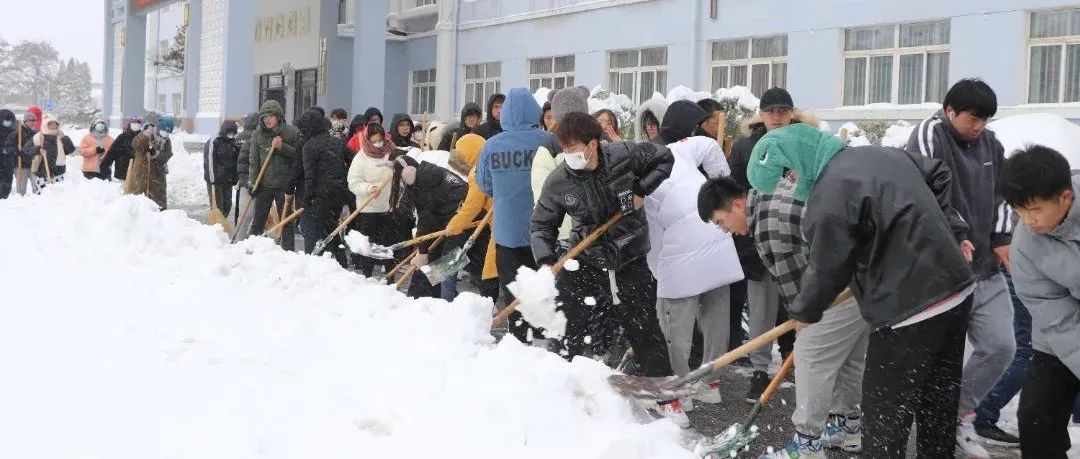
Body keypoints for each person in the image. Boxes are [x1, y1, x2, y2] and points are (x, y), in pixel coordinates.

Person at [747, 122, 975, 458]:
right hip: (955, 292)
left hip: (907, 309)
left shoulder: (829, 193)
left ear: (799, 156)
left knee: (884, 417)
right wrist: (954, 231)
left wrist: (805, 311)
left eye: (788, 174)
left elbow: (827, 266)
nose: (791, 184)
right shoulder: (884, 155)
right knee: (936, 405)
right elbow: (938, 173)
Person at [699, 174, 871, 458]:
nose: (725, 231)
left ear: (739, 205)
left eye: (721, 222)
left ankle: (807, 448)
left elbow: (799, 288)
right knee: (849, 358)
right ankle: (848, 429)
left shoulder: (768, 228)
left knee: (810, 359)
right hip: (859, 278)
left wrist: (803, 322)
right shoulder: (768, 193)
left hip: (839, 288)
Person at [531, 112, 682, 424]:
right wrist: (546, 260)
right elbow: (541, 225)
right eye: (565, 149)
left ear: (594, 144)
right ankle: (566, 391)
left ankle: (666, 398)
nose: (570, 156)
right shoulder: (559, 180)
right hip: (585, 255)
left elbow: (664, 157)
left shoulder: (624, 155)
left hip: (629, 251)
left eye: (576, 149)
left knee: (642, 324)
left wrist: (641, 189)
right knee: (574, 321)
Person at [905, 78, 1016, 456]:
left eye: (985, 120)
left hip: (985, 266)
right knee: (938, 359)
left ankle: (959, 413)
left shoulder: (991, 143)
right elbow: (923, 192)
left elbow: (1003, 194)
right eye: (973, 119)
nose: (979, 127)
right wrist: (954, 235)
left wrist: (1002, 239)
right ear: (950, 110)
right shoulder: (927, 135)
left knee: (1002, 345)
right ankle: (931, 423)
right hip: (942, 271)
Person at [646, 100, 741, 409]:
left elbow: (653, 237)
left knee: (674, 324)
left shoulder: (640, 179)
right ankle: (710, 384)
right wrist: (722, 191)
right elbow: (710, 147)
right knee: (716, 319)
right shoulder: (680, 150)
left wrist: (659, 273)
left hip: (681, 255)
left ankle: (680, 391)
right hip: (718, 234)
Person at [727, 87, 811, 400]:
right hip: (759, 243)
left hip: (798, 242)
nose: (777, 116)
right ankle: (760, 372)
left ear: (791, 113)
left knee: (801, 308)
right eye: (771, 111)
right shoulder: (747, 147)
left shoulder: (806, 143)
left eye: (782, 111)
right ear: (761, 115)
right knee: (761, 313)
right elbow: (735, 191)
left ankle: (801, 366)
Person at [1001, 146, 1080, 459]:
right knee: (1035, 420)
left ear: (1064, 197)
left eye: (1034, 210)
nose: (1027, 221)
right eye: (1019, 212)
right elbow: (1055, 316)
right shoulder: (1024, 245)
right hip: (1061, 337)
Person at [475, 87, 548, 343]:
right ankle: (542, 335)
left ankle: (518, 339)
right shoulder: (548, 141)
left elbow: (484, 185)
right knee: (542, 287)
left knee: (513, 288)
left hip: (506, 232)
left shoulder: (491, 146)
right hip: (543, 230)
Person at [393, 155, 466, 298]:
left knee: (448, 262)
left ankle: (445, 301)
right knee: (435, 259)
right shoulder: (427, 173)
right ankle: (427, 296)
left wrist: (422, 252)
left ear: (408, 174)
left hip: (461, 220)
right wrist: (423, 251)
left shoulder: (424, 184)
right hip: (451, 216)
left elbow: (425, 221)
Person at [443, 133, 500, 302]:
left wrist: (453, 226)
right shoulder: (494, 163)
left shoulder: (479, 172)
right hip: (505, 218)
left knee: (491, 269)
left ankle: (488, 305)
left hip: (499, 221)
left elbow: (472, 207)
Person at [531, 86, 589, 245]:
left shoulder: (594, 143)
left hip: (579, 232)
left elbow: (541, 196)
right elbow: (543, 194)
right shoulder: (550, 146)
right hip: (568, 233)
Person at [297, 109, 351, 265]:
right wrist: (341, 179)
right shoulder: (337, 142)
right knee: (331, 228)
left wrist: (307, 199)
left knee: (310, 229)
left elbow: (310, 176)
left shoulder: (309, 146)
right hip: (337, 194)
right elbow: (354, 159)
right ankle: (341, 261)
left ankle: (312, 261)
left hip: (320, 195)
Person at [346, 123, 399, 275]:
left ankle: (390, 274)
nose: (378, 143)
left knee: (387, 245)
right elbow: (353, 182)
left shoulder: (391, 153)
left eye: (380, 139)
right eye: (374, 140)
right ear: (368, 140)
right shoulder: (361, 158)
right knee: (368, 245)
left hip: (388, 207)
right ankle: (367, 274)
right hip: (368, 209)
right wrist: (368, 189)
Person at [247, 100, 299, 250]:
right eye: (264, 117)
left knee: (286, 221)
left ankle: (288, 251)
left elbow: (298, 156)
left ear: (278, 116)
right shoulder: (258, 134)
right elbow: (253, 160)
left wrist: (283, 147)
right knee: (258, 220)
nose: (267, 119)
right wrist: (253, 182)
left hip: (284, 185)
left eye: (271, 116)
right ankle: (252, 248)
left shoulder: (291, 132)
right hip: (264, 185)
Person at [126, 112, 174, 209]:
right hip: (142, 173)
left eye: (168, 132)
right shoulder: (148, 134)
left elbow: (167, 155)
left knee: (158, 203)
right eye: (164, 130)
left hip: (158, 175)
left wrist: (155, 153)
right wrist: (144, 135)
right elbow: (135, 145)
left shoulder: (166, 141)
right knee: (139, 201)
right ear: (159, 128)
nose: (165, 134)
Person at [203, 120, 240, 216]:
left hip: (227, 181)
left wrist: (235, 178)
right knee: (217, 208)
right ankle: (216, 227)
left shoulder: (233, 143)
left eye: (233, 134)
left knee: (227, 205)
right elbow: (209, 162)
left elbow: (235, 161)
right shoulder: (214, 141)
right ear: (224, 131)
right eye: (229, 133)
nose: (231, 135)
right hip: (216, 181)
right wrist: (212, 180)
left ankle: (222, 226)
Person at [27, 114, 75, 188]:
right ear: (46, 125)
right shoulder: (38, 136)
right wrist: (38, 150)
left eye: (55, 124)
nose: (53, 126)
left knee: (58, 195)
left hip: (58, 172)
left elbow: (70, 150)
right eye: (50, 124)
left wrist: (65, 139)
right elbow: (26, 149)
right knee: (43, 196)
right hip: (42, 172)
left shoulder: (61, 136)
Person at [4, 107, 41, 195]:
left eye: (34, 121)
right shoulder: (16, 133)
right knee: (21, 189)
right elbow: (8, 148)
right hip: (20, 164)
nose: (33, 123)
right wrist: (17, 151)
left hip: (33, 164)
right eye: (31, 121)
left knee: (37, 187)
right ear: (26, 121)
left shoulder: (36, 134)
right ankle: (21, 205)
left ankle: (38, 204)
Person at [234, 112, 259, 228]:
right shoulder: (256, 137)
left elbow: (234, 157)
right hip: (253, 175)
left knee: (241, 207)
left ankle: (238, 227)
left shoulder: (238, 137)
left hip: (241, 175)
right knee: (252, 209)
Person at [100, 115, 142, 183]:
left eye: (138, 123)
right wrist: (105, 167)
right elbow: (111, 153)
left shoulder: (143, 138)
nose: (136, 125)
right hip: (122, 173)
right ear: (130, 124)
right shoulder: (122, 137)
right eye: (134, 123)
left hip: (138, 174)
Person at [79, 116, 114, 181]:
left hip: (105, 170)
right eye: (98, 125)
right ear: (94, 126)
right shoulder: (87, 138)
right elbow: (82, 151)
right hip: (90, 170)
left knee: (107, 190)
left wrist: (105, 154)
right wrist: (95, 150)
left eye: (102, 125)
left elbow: (114, 152)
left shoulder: (110, 140)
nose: (100, 127)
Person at [0, 109, 18, 198]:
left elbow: (18, 146)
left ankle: (4, 196)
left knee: (7, 179)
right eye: (6, 120)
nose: (8, 122)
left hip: (8, 162)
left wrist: (11, 150)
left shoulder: (14, 132)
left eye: (10, 120)